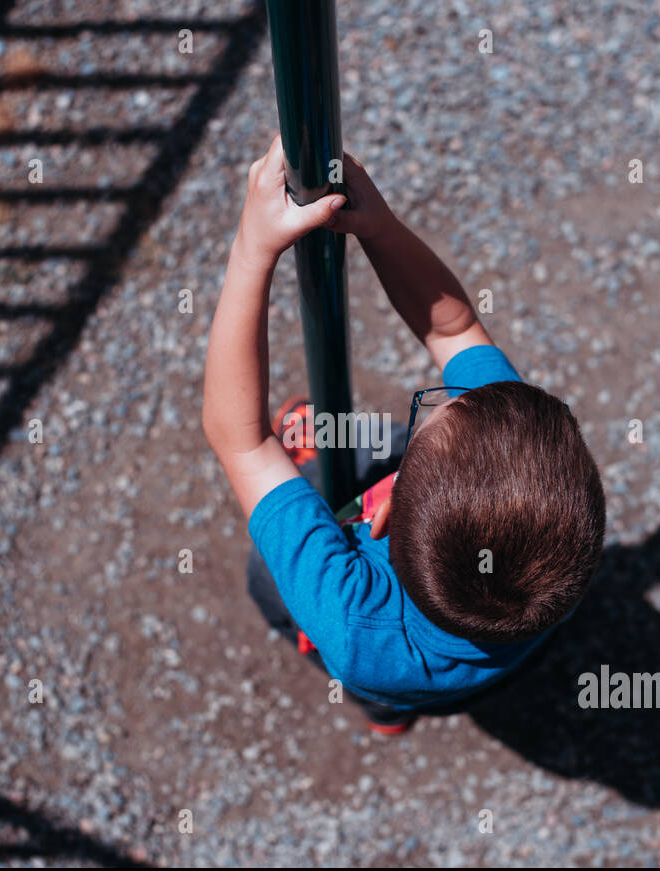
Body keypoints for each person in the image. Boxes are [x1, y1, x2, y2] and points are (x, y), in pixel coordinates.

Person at [202, 135, 606, 734]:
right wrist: (381, 230)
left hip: (374, 657)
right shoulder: (557, 518)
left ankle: (381, 706)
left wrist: (251, 251)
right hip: (497, 654)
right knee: (384, 445)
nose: (452, 396)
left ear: (384, 511)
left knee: (270, 579)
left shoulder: (357, 622)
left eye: (432, 413)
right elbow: (459, 330)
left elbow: (243, 441)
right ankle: (394, 708)